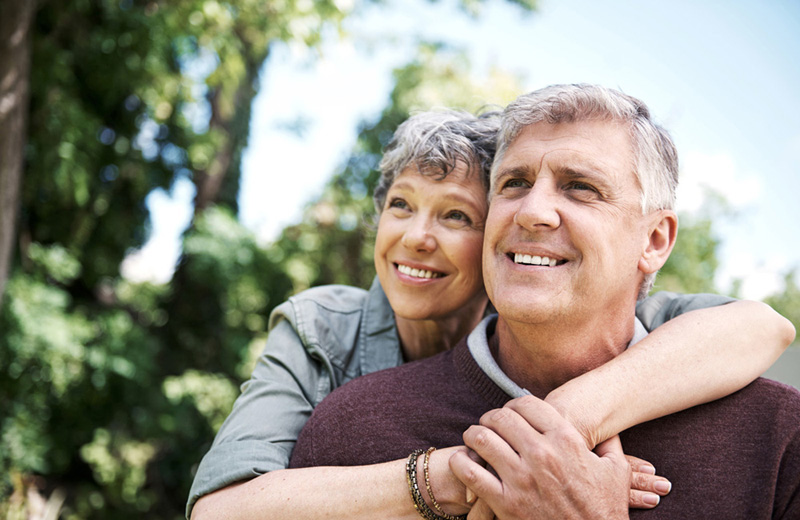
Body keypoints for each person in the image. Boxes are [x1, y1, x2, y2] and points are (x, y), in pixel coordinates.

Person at [189, 107, 794, 519]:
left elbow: (762, 326)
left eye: (456, 216)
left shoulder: (659, 330)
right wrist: (468, 473)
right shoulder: (326, 338)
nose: (416, 237)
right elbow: (221, 509)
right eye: (400, 205)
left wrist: (555, 429)